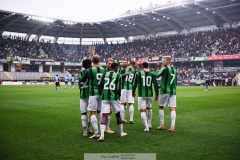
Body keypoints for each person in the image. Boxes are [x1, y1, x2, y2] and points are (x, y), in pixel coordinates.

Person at [144, 56, 177, 132]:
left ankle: (162, 125)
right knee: (172, 108)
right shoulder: (175, 70)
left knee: (161, 107)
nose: (163, 62)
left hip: (165, 91)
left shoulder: (164, 68)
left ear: (168, 61)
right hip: (173, 92)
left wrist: (148, 71)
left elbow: (157, 75)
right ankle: (172, 127)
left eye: (164, 60)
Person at [98, 63, 127, 141]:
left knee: (104, 115)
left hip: (105, 97)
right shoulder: (118, 76)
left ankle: (102, 136)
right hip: (114, 97)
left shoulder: (104, 74)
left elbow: (100, 85)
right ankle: (121, 132)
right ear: (116, 67)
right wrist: (118, 97)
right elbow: (119, 88)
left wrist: (103, 92)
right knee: (118, 115)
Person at [79, 55, 105, 138]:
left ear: (92, 62)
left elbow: (81, 80)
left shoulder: (89, 70)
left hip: (92, 93)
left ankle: (95, 132)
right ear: (99, 60)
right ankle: (102, 131)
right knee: (99, 111)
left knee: (91, 112)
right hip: (101, 93)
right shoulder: (103, 69)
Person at [133, 62, 159, 131]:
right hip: (150, 94)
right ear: (148, 66)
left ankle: (146, 126)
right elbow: (156, 85)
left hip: (141, 95)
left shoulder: (138, 73)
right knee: (149, 109)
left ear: (142, 66)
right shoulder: (151, 73)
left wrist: (133, 92)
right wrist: (157, 95)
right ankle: (149, 123)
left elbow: (134, 84)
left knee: (143, 110)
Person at [78, 59, 92, 136]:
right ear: (90, 65)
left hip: (82, 95)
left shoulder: (80, 73)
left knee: (83, 113)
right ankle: (88, 128)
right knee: (91, 112)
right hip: (90, 95)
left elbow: (79, 83)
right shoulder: (90, 72)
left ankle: (85, 131)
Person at [104, 58, 115, 134]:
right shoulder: (102, 71)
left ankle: (106, 127)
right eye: (109, 63)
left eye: (111, 64)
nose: (110, 65)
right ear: (106, 64)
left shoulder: (113, 73)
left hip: (109, 95)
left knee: (109, 111)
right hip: (101, 94)